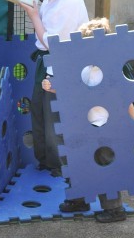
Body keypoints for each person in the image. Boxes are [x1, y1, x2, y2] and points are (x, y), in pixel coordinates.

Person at [41, 18, 128, 223]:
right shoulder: (87, 67)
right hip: (83, 126)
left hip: (104, 127)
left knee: (104, 163)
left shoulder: (111, 69)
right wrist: (53, 87)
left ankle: (114, 208)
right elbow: (74, 88)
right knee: (75, 161)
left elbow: (126, 100)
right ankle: (79, 199)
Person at [14, 0, 89, 177]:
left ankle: (58, 165)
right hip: (47, 63)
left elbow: (50, 43)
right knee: (38, 108)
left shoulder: (67, 6)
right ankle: (45, 160)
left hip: (61, 65)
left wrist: (34, 16)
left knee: (52, 115)